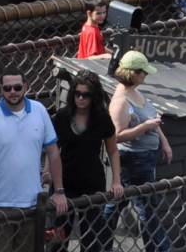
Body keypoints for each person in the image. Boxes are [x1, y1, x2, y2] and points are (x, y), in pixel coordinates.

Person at [0, 71, 68, 252]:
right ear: (1, 89)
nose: (12, 92)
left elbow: (53, 153)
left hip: (31, 205)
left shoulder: (39, 110)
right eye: (7, 88)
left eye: (17, 87)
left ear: (26, 87)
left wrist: (59, 190)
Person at [109, 50, 172, 252]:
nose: (145, 76)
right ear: (133, 73)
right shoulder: (121, 101)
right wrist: (144, 128)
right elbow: (117, 136)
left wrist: (164, 141)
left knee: (117, 204)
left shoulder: (136, 91)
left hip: (146, 156)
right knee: (146, 208)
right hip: (134, 159)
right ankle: (161, 249)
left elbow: (151, 118)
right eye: (143, 72)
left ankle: (97, 240)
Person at [55, 71, 121, 252]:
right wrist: (48, 173)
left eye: (86, 95)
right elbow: (53, 150)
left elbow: (113, 151)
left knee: (91, 239)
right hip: (64, 183)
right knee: (59, 238)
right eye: (77, 93)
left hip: (91, 182)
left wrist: (116, 181)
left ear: (94, 96)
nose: (80, 98)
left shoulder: (102, 118)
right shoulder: (62, 116)